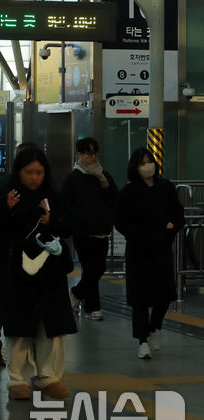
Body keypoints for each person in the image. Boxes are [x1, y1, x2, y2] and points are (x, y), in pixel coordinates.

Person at [0, 146, 77, 400]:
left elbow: (70, 223)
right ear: (19, 172)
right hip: (16, 273)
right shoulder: (5, 191)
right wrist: (7, 209)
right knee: (19, 328)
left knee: (51, 328)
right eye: (28, 172)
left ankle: (49, 376)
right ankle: (19, 379)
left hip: (49, 273)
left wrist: (52, 220)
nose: (34, 177)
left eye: (39, 172)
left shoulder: (53, 196)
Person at [114, 148, 184, 359]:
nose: (147, 166)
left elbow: (177, 211)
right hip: (139, 251)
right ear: (135, 167)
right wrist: (136, 235)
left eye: (149, 161)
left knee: (165, 295)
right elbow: (120, 220)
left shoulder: (166, 187)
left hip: (162, 249)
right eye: (142, 163)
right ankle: (142, 340)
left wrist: (173, 225)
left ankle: (154, 328)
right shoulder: (129, 192)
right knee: (141, 299)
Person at [0, 142, 39, 367]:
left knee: (26, 299)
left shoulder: (39, 188)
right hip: (3, 252)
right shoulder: (2, 186)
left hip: (30, 253)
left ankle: (27, 347)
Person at [61, 137, 119, 321]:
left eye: (95, 153)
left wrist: (109, 217)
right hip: (83, 232)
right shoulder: (73, 178)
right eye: (89, 153)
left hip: (102, 230)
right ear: (80, 154)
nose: (93, 157)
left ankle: (77, 294)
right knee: (90, 268)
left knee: (98, 268)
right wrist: (79, 221)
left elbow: (114, 200)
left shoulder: (104, 176)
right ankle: (93, 307)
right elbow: (66, 205)